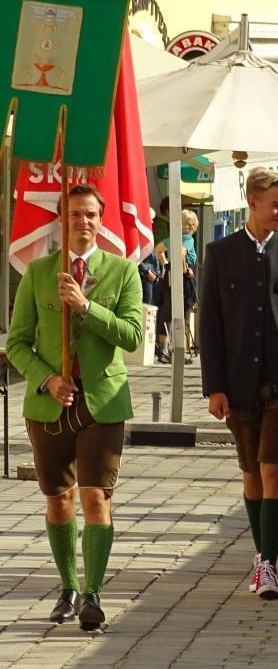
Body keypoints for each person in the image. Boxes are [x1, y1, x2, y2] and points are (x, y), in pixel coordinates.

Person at [6, 183, 143, 631]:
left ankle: (93, 593)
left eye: (91, 214)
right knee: (59, 500)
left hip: (102, 401)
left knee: (95, 497)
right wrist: (47, 379)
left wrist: (86, 307)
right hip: (50, 404)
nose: (83, 221)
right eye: (74, 214)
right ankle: (67, 586)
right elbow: (17, 343)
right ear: (61, 220)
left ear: (101, 221)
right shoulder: (39, 272)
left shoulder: (122, 271)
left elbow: (133, 336)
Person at [200, 167, 278, 600]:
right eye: (275, 205)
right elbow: (210, 326)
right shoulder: (221, 254)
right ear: (251, 202)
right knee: (251, 473)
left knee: (275, 470)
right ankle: (260, 556)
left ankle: (269, 566)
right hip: (238, 384)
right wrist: (214, 386)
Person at [155, 209, 199, 364]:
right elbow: (181, 252)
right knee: (183, 315)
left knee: (167, 313)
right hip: (183, 280)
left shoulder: (171, 239)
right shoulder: (188, 239)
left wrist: (166, 264)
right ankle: (179, 351)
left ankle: (164, 350)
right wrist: (185, 269)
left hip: (170, 277)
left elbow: (158, 249)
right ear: (192, 225)